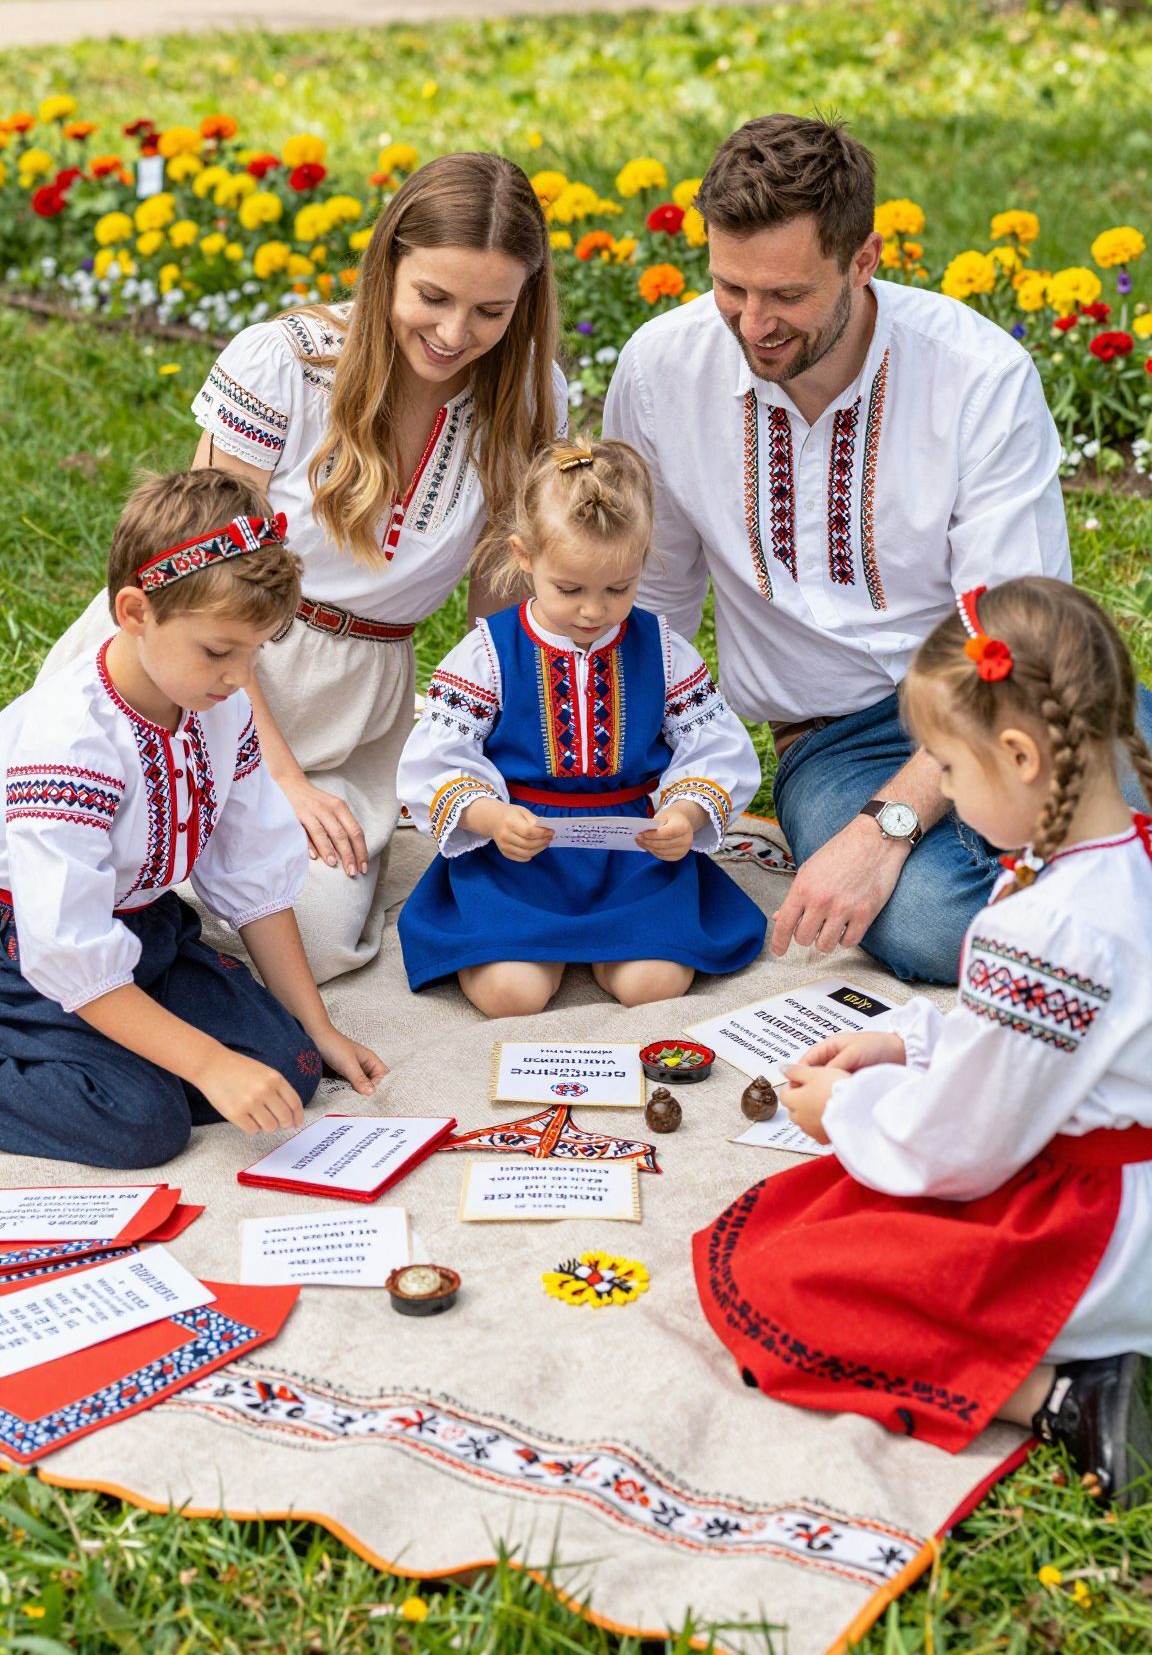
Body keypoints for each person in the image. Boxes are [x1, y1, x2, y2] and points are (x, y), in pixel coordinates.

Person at [603, 113, 1152, 987]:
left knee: (1120, 825)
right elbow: (648, 603)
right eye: (730, 288)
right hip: (834, 741)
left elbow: (1022, 645)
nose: (752, 323)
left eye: (786, 295)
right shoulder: (661, 371)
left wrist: (883, 830)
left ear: (864, 261)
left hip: (1005, 698)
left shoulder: (978, 378)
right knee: (937, 925)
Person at [41, 153, 567, 985]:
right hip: (193, 668)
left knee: (314, 941)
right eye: (432, 297)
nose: (455, 334)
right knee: (76, 869)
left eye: (490, 311)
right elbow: (198, 574)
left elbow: (496, 606)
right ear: (387, 261)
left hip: (348, 710)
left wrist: (514, 756)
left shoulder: (533, 399)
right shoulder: (282, 362)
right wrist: (276, 776)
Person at [693, 577, 1152, 1505]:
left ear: (1019, 756)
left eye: (945, 766)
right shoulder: (1127, 858)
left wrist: (848, 1109)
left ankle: (1067, 1392)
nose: (935, 786)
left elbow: (963, 1150)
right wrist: (910, 1044)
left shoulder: (1046, 929)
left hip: (1093, 1236)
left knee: (781, 1271)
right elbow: (1072, 1048)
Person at [0, 470, 385, 1170]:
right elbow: (66, 944)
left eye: (255, 652)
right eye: (218, 650)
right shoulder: (69, 739)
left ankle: (127, 1050)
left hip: (144, 931)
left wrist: (318, 1024)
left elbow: (251, 874)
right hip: (24, 952)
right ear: (136, 612)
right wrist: (207, 1063)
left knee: (291, 1066)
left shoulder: (216, 705)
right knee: (143, 1124)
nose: (240, 677)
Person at [396, 438, 766, 1016]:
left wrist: (686, 814)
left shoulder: (664, 652)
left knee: (654, 985)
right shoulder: (490, 653)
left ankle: (612, 945)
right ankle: (532, 947)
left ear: (642, 560)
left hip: (633, 858)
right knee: (510, 996)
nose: (593, 611)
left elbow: (713, 745)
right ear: (525, 557)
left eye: (617, 589)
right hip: (518, 856)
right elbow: (436, 756)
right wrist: (492, 818)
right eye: (569, 589)